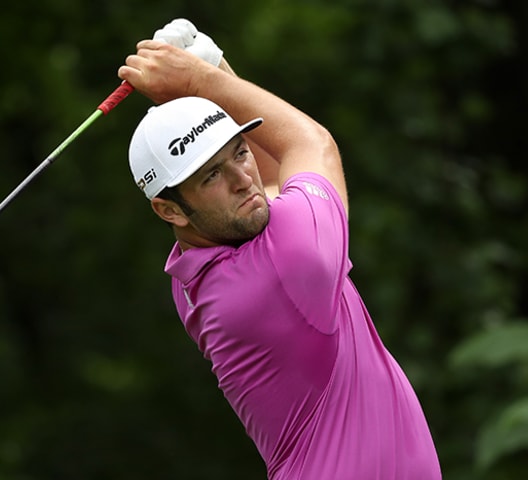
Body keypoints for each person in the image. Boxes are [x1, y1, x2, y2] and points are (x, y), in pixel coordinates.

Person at [119, 19, 441, 479]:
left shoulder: (196, 268)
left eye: (238, 151)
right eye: (210, 175)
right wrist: (200, 81)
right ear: (169, 210)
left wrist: (215, 70)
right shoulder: (287, 264)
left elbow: (268, 182)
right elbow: (311, 145)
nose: (240, 179)